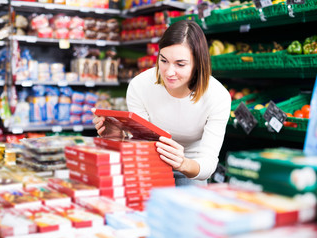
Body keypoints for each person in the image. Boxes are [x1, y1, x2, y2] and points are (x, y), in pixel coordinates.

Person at [92, 20, 231, 186]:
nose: (169, 72)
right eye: (163, 60)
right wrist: (121, 140)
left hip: (192, 170)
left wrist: (183, 163)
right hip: (150, 166)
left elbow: (208, 164)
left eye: (180, 64)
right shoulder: (140, 85)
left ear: (198, 64)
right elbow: (142, 144)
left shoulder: (217, 96)